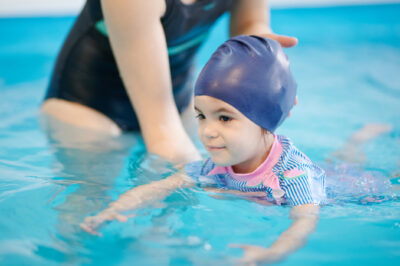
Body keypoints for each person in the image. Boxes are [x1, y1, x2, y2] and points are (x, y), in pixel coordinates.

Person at [80, 36, 325, 264]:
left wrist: (272, 253)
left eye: (225, 118)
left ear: (267, 117)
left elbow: (304, 220)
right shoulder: (215, 166)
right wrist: (113, 211)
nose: (207, 131)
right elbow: (161, 187)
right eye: (201, 115)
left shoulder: (293, 172)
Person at [41, 0, 298, 165]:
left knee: (168, 207)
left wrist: (260, 58)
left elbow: (249, 22)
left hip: (178, 99)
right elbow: (162, 130)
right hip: (88, 107)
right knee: (88, 210)